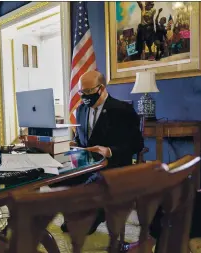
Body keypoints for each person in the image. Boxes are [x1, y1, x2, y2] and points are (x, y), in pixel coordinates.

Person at [61, 71, 144, 246]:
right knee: (59, 176)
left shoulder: (122, 110)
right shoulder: (81, 109)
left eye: (88, 92)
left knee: (96, 182)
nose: (84, 96)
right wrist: (73, 144)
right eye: (81, 92)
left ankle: (90, 215)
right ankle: (77, 213)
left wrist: (110, 151)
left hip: (113, 167)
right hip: (85, 164)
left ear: (101, 89)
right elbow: (81, 139)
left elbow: (137, 145)